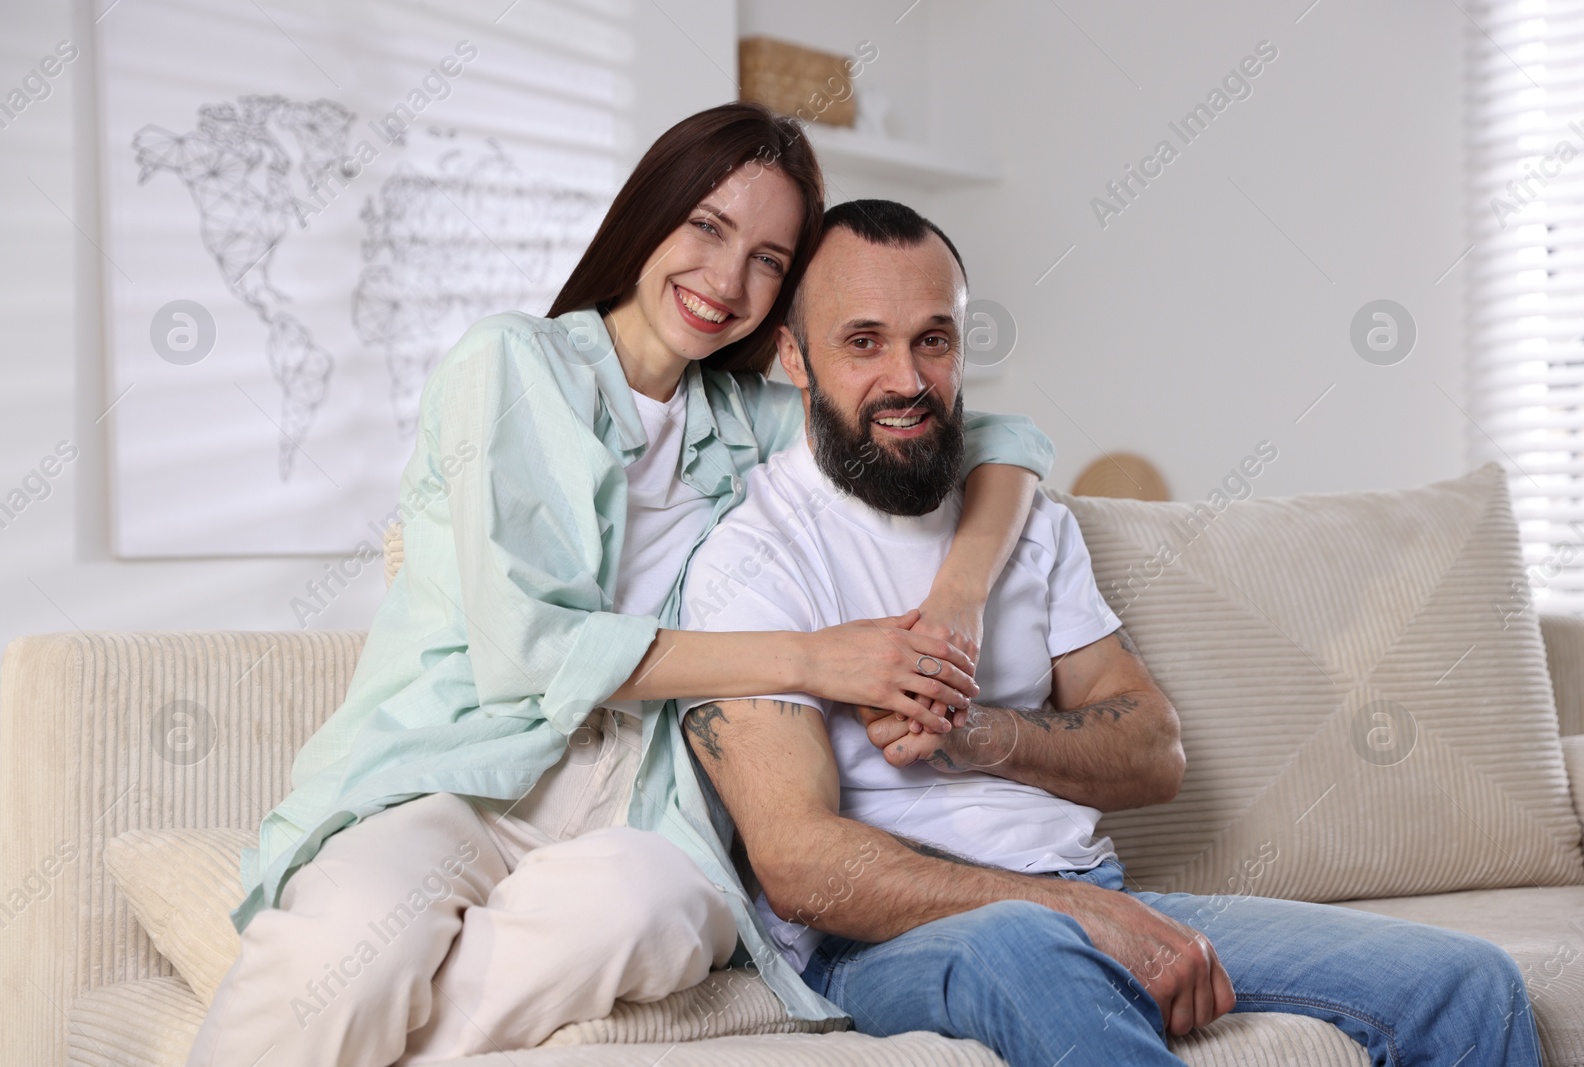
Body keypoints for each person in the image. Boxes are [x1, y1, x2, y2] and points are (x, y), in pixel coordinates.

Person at [187, 106, 1058, 1067]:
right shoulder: (512, 363)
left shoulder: (755, 420)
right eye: (709, 228)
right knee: (350, 941)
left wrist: (957, 599)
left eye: (769, 260)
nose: (728, 282)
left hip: (644, 805)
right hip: (458, 775)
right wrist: (819, 658)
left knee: (663, 912)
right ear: (651, 212)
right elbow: (533, 648)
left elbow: (1000, 440)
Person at [676, 198, 1543, 1067]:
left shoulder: (1027, 524)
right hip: (894, 944)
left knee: (1470, 981)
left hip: (1090, 888)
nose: (906, 379)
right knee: (1026, 948)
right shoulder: (754, 561)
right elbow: (797, 862)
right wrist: (1083, 917)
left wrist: (981, 735)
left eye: (933, 340)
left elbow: (1153, 750)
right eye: (862, 342)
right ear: (793, 355)